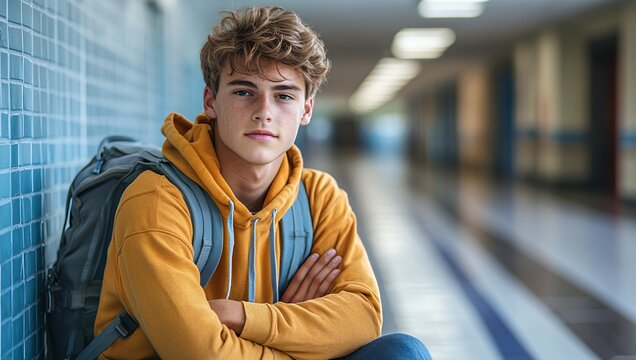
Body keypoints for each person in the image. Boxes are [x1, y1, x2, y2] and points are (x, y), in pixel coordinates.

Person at [94, 6, 431, 359]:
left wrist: (244, 316)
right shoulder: (156, 199)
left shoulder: (319, 197)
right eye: (244, 91)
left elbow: (362, 318)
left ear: (306, 110)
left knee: (403, 352)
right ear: (211, 101)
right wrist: (301, 331)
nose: (264, 111)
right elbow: (201, 354)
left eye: (284, 95)